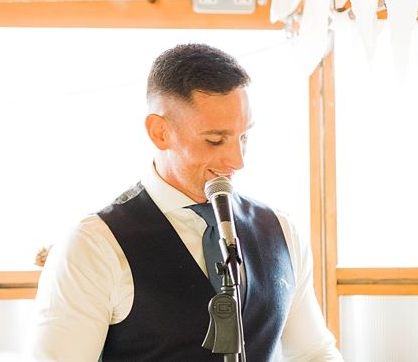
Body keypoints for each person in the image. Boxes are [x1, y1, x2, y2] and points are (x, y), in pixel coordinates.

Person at [27, 43, 342, 361]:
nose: (237, 160)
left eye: (243, 136)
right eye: (215, 140)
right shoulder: (92, 245)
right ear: (160, 132)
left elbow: (313, 352)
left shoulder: (282, 231)